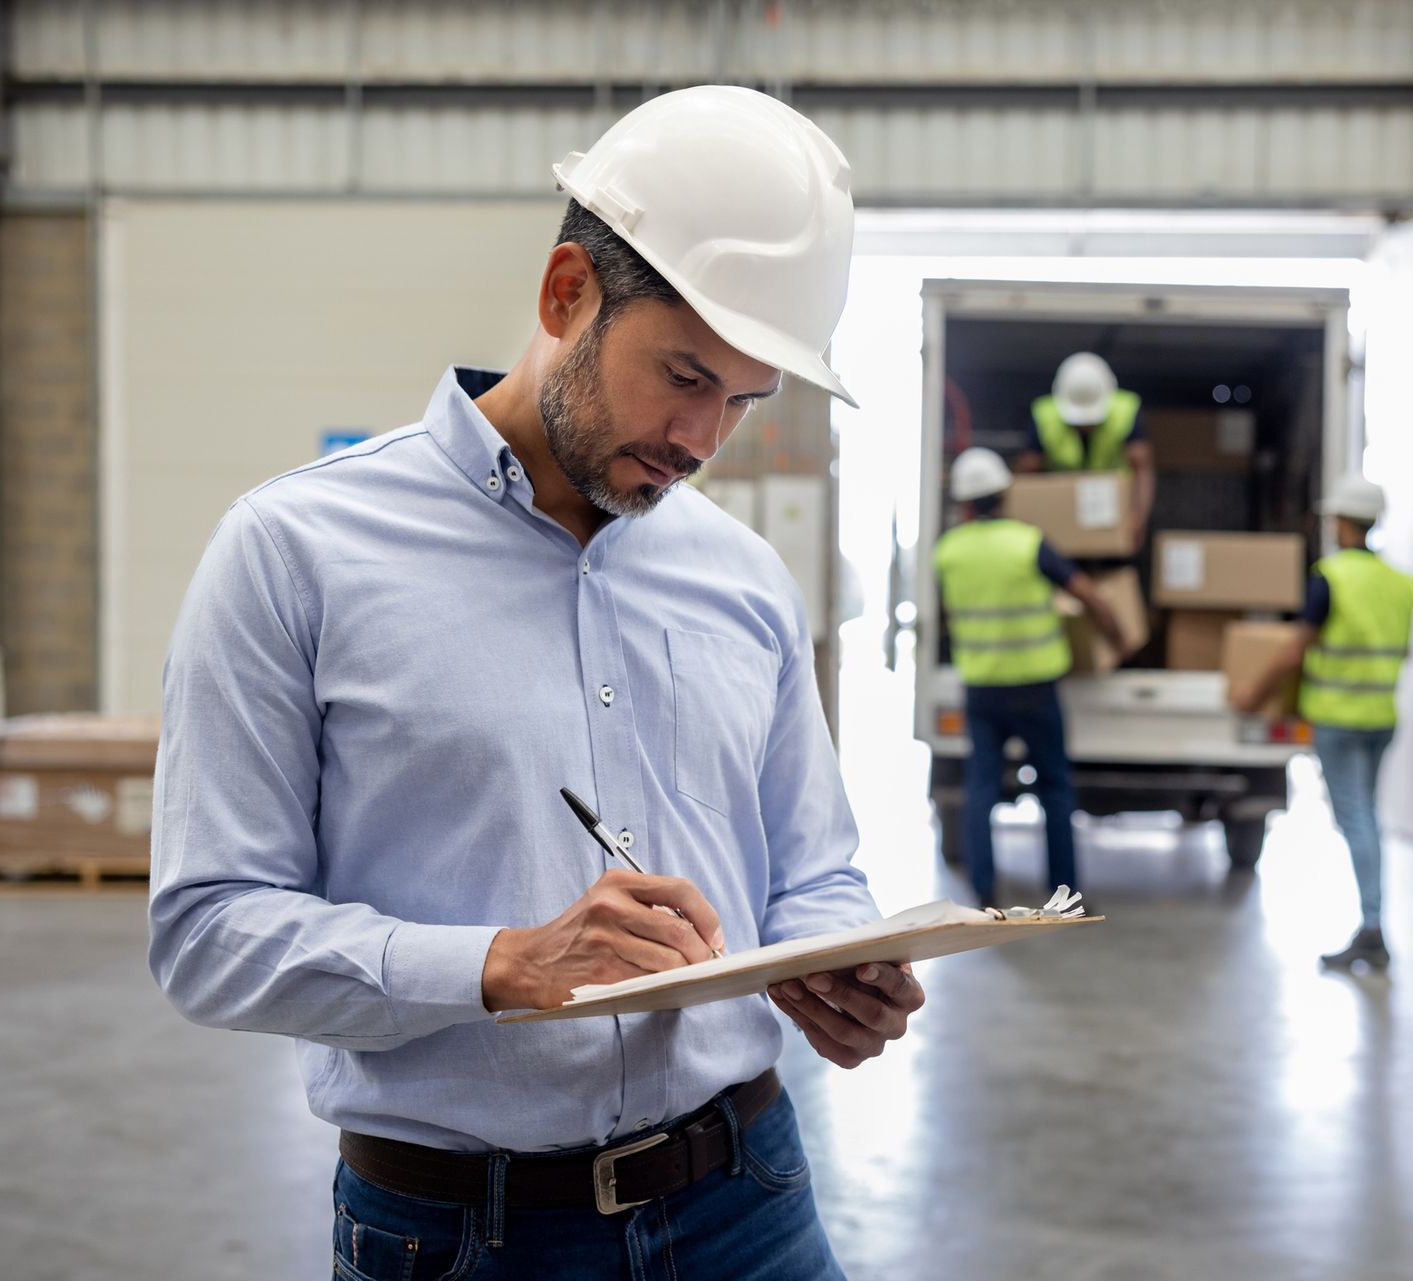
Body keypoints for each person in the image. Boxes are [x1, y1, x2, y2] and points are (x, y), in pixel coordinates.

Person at [147, 86, 923, 1279]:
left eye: (743, 402)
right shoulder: (295, 555)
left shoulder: (745, 579)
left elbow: (811, 868)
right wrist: (499, 966)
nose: (703, 438)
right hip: (460, 1235)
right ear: (567, 293)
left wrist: (837, 964)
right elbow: (207, 932)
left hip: (750, 1200)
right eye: (683, 375)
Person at [1230, 475, 1413, 971]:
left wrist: (1255, 691)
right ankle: (1373, 923)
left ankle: (1373, 928)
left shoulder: (1331, 577)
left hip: (1339, 720)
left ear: (1342, 523)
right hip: (1381, 718)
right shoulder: (1402, 584)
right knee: (1366, 818)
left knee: (1355, 820)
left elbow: (1296, 646)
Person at [934, 446, 1131, 907]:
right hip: (1035, 688)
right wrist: (1118, 636)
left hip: (982, 687)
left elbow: (949, 613)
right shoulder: (1028, 543)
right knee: (1054, 787)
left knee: (981, 786)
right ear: (1003, 495)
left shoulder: (948, 552)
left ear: (964, 503)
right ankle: (1065, 892)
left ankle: (982, 889)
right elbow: (1084, 592)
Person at [1017, 352, 1154, 547]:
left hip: (1113, 515)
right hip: (1061, 516)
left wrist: (1139, 518)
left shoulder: (1126, 410)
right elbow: (1027, 473)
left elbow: (1142, 470)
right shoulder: (1044, 415)